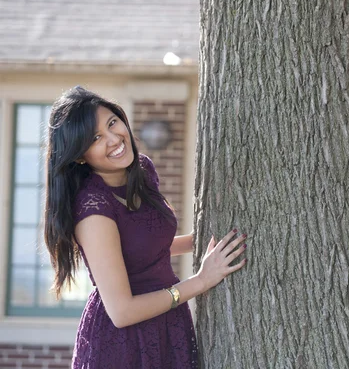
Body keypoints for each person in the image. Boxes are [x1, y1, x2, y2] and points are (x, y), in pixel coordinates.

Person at [44, 86, 247, 368]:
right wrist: (200, 281)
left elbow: (142, 248)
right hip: (124, 343)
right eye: (96, 137)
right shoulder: (92, 210)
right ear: (79, 155)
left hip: (168, 323)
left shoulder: (141, 171)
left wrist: (201, 242)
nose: (115, 139)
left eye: (112, 122)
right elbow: (122, 311)